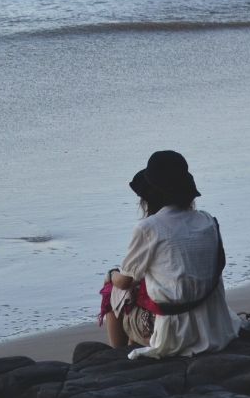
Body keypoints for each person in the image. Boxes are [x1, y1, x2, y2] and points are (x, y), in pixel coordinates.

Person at [100, 151, 238, 359]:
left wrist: (111, 274)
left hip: (175, 334)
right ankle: (129, 347)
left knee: (113, 289)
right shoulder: (208, 220)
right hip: (216, 326)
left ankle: (117, 358)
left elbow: (125, 282)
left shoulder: (149, 227)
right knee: (147, 287)